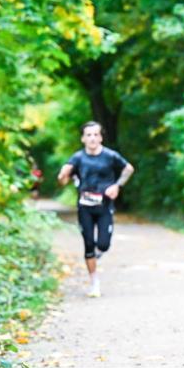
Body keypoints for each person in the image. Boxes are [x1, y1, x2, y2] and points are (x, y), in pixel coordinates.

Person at [57, 121, 134, 298]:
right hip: (85, 207)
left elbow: (129, 169)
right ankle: (94, 282)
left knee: (104, 244)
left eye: (95, 135)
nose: (92, 138)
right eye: (88, 135)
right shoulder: (77, 158)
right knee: (89, 244)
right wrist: (63, 175)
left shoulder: (110, 156)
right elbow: (63, 181)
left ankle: (96, 256)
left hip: (105, 206)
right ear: (83, 138)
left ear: (100, 137)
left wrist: (117, 186)